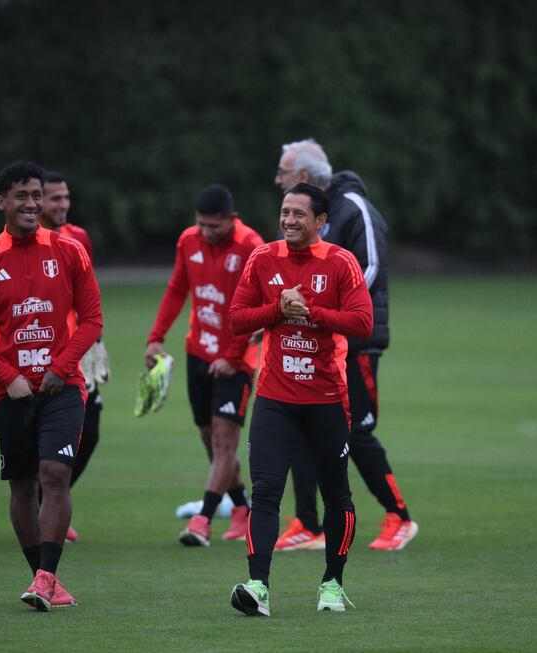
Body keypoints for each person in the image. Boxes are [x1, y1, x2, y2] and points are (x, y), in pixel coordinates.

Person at [0, 161, 102, 611]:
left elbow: (93, 320)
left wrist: (61, 367)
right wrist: (9, 378)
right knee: (21, 487)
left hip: (64, 388)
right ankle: (43, 578)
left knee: (55, 476)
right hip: (11, 395)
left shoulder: (69, 250)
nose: (32, 204)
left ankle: (46, 576)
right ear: (2, 203)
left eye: (37, 195)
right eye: (22, 196)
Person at [228, 183, 372, 616]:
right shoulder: (263, 257)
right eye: (285, 212)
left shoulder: (341, 262)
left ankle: (332, 583)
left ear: (321, 221)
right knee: (266, 491)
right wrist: (278, 309)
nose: (288, 220)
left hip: (327, 399)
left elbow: (363, 322)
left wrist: (310, 311)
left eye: (299, 215)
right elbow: (237, 320)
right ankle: (259, 586)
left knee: (337, 496)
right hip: (273, 397)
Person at [272, 138, 418, 552]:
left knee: (355, 431)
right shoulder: (302, 216)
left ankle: (399, 516)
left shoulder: (353, 206)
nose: (277, 179)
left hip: (356, 342)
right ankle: (307, 523)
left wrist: (328, 315)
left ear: (302, 175)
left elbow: (371, 267)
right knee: (299, 424)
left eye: (283, 172)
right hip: (314, 341)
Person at [145, 184, 265, 547]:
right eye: (202, 225)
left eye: (215, 226)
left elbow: (260, 311)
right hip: (199, 352)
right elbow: (177, 289)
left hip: (238, 358)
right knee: (210, 440)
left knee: (225, 441)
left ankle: (202, 520)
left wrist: (231, 356)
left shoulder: (251, 245)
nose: (207, 232)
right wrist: (156, 336)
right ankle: (243, 509)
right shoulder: (189, 241)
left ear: (232, 218)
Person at [40, 170, 110, 543]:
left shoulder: (78, 238)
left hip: (79, 350)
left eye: (66, 198)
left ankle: (51, 501)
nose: (63, 205)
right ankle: (42, 505)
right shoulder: (28, 242)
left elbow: (88, 294)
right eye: (56, 199)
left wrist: (96, 339)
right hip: (41, 351)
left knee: (91, 431)